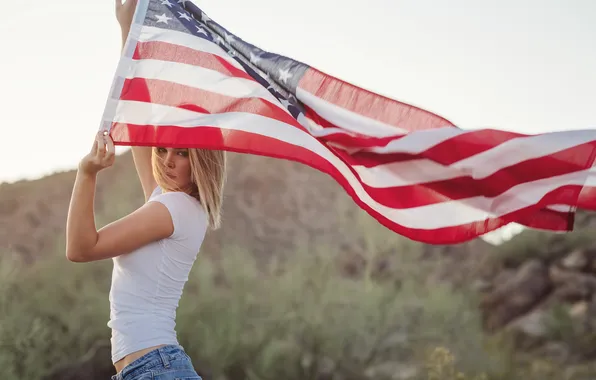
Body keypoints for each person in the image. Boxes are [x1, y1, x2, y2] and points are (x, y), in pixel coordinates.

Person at [65, 3, 226, 379]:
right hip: (149, 369)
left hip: (155, 369)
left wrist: (85, 174)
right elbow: (139, 119)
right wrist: (128, 31)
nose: (168, 159)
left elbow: (80, 248)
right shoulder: (173, 204)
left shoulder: (171, 210)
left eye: (182, 153)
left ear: (201, 161)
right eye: (163, 149)